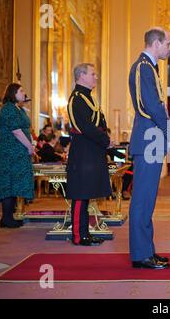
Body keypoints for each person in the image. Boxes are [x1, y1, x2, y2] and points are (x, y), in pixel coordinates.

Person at [128, 28, 170, 269]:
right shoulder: (143, 68)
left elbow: (157, 105)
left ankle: (147, 250)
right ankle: (140, 255)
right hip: (148, 140)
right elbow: (151, 107)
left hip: (151, 140)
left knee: (147, 200)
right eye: (168, 44)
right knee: (142, 200)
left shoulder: (149, 69)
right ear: (156, 43)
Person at [66, 63, 112, 245]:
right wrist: (105, 140)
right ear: (81, 76)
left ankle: (85, 233)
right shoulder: (76, 99)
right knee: (80, 194)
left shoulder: (89, 98)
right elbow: (85, 127)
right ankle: (79, 235)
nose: (96, 77)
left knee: (86, 194)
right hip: (83, 152)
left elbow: (99, 122)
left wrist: (105, 137)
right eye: (93, 74)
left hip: (92, 151)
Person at [0, 83, 34, 228]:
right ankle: (6, 218)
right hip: (10, 153)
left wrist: (22, 107)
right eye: (21, 90)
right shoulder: (7, 109)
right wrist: (29, 146)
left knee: (14, 184)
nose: (24, 93)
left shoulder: (17, 108)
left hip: (17, 153)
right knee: (9, 184)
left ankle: (8, 217)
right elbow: (16, 131)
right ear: (13, 93)